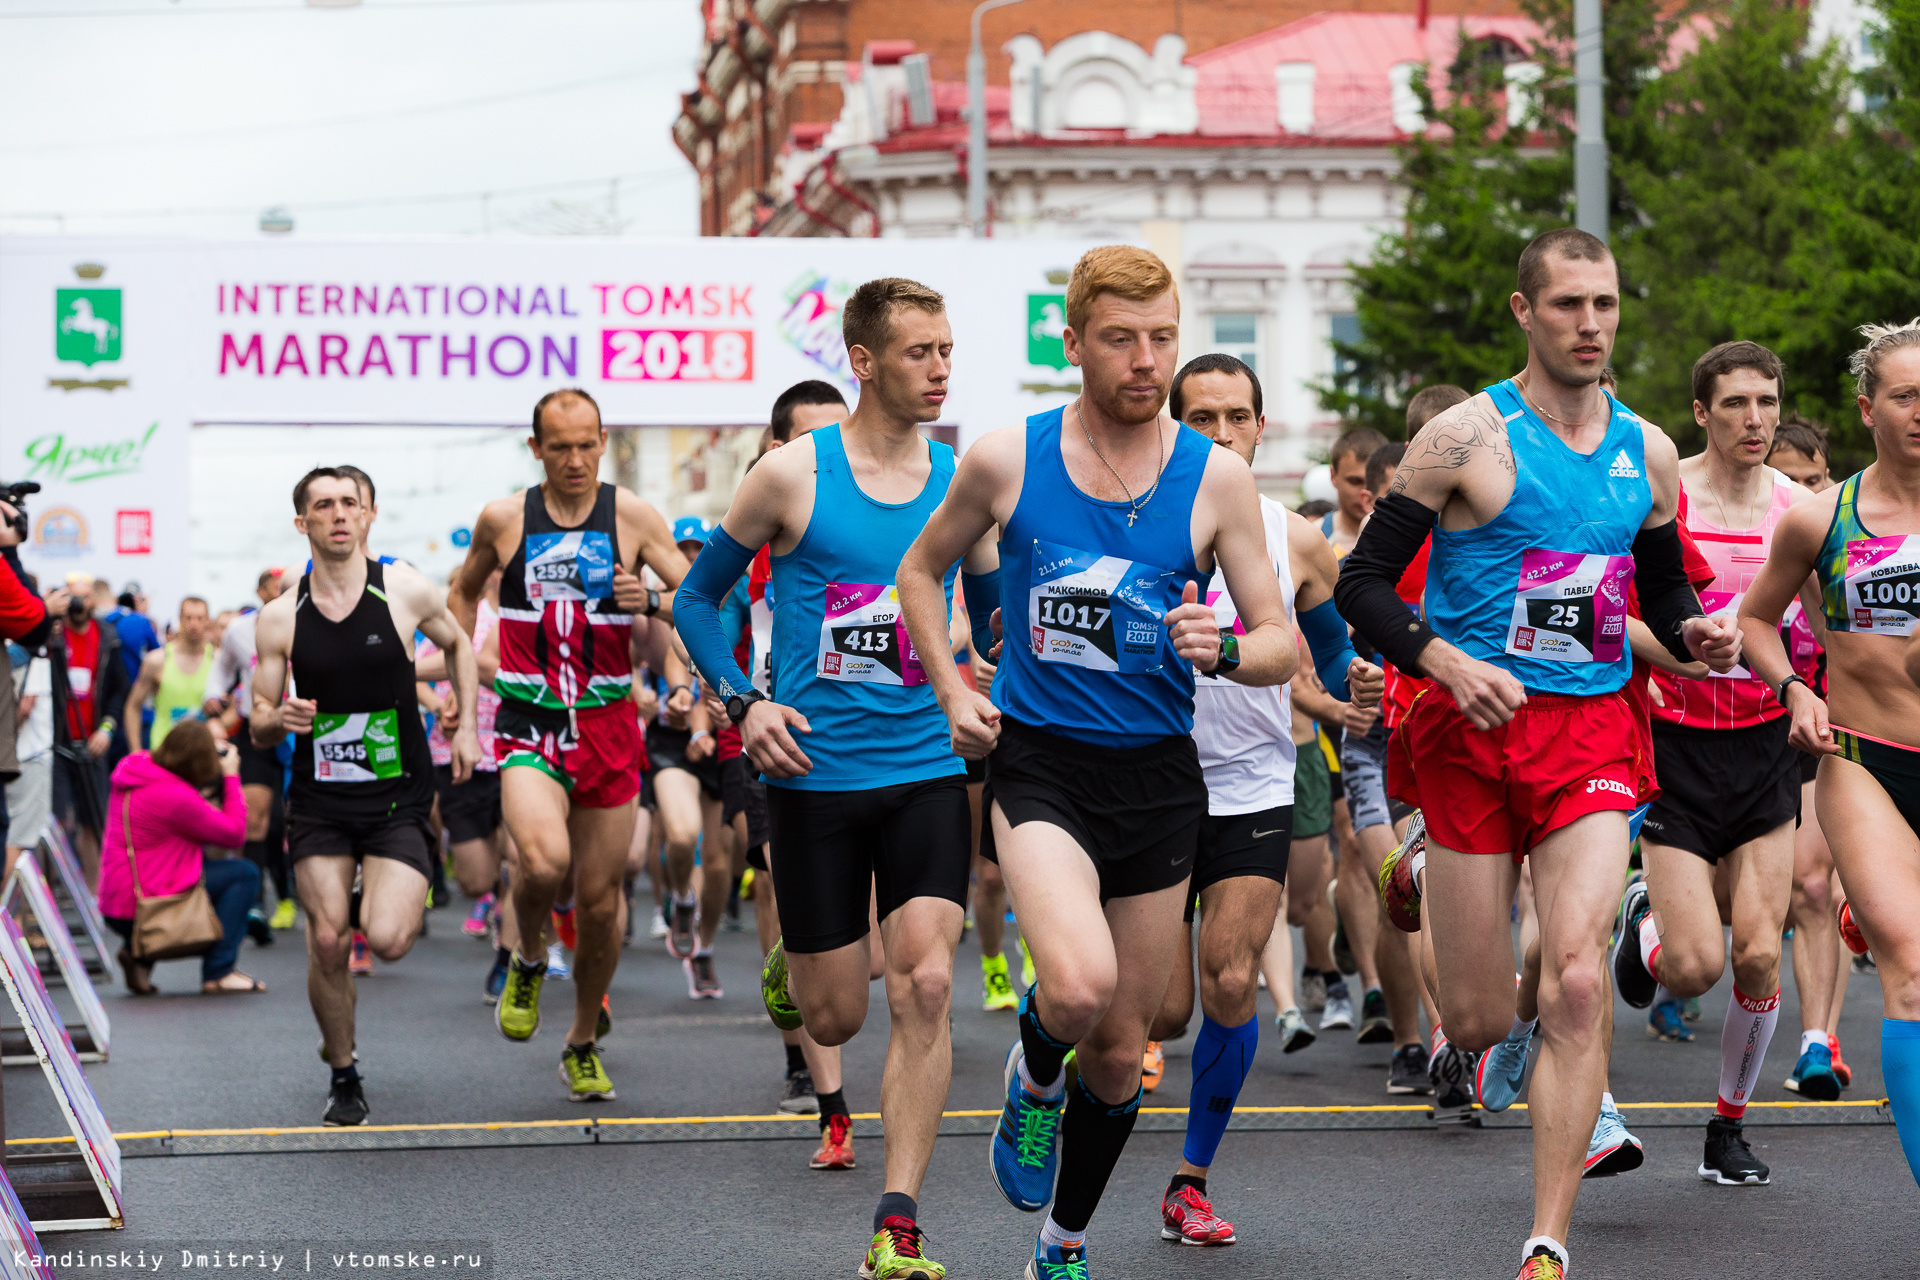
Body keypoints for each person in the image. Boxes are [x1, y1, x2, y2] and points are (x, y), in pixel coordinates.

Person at [1334, 227, 1741, 1280]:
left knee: (1569, 982)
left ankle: (1547, 1238)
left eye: (1604, 303)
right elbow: (1363, 586)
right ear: (1525, 311)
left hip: (1591, 730)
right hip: (1468, 732)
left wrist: (1694, 631)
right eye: (1567, 305)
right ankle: (1451, 900)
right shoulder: (1465, 438)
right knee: (1473, 1018)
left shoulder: (1646, 448)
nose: (1591, 324)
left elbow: (1660, 587)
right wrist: (1443, 663)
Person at [896, 245, 1298, 1280]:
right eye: (1121, 338)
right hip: (1043, 765)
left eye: (1162, 335)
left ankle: (1061, 1242)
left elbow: (1279, 642)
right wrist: (952, 690)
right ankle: (1032, 1077)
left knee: (1123, 1050)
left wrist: (1231, 649)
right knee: (1074, 989)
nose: (1146, 358)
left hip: (1161, 775)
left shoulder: (1219, 478)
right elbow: (921, 568)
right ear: (1072, 342)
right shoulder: (1006, 459)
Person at [677, 277, 972, 1279]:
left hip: (930, 764)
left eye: (945, 348)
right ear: (864, 360)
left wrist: (985, 678)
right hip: (813, 773)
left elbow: (1001, 612)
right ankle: (798, 970)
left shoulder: (962, 481)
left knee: (929, 978)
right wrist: (742, 701)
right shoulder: (790, 477)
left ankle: (898, 1219)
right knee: (838, 1011)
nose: (939, 368)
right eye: (919, 351)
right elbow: (697, 599)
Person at [1147, 352, 1380, 1245]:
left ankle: (1190, 1180)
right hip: (1150, 782)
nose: (1218, 435)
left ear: (1260, 426)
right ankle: (1046, 1037)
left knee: (1233, 978)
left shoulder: (1296, 539)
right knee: (1159, 1012)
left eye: (1234, 418)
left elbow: (1324, 653)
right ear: (1172, 425)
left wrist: (1354, 686)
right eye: (1199, 418)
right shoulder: (1139, 524)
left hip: (1252, 780)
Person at [1608, 342, 1818, 1184]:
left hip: (1765, 745)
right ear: (1701, 413)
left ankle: (1727, 1128)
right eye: (1734, 404)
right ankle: (1646, 922)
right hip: (1674, 745)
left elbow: (1830, 625)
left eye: (1766, 402)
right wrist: (1678, 651)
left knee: (1761, 955)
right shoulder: (1662, 500)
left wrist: (1814, 691)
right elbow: (1604, 613)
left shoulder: (1804, 510)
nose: (1755, 420)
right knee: (1695, 964)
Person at [449, 388, 688, 1105]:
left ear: (603, 440)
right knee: (543, 861)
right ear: (536, 449)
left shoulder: (634, 516)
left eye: (588, 444)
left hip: (610, 721)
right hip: (528, 715)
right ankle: (526, 954)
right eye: (560, 447)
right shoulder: (503, 518)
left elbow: (705, 596)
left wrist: (650, 601)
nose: (576, 460)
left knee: (599, 903)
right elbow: (460, 597)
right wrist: (464, 686)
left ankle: (581, 1038)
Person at [1739, 318, 1920, 1192]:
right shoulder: (1823, 518)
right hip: (1866, 759)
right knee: (1911, 970)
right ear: (1867, 408)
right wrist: (1793, 689)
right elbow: (1753, 621)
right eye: (1905, 396)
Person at [253, 467, 482, 1126]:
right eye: (322, 506)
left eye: (349, 503)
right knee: (328, 942)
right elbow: (259, 714)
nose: (338, 514)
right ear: (303, 523)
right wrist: (280, 719)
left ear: (370, 514)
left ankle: (370, 893)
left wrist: (463, 725)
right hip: (320, 803)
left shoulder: (403, 589)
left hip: (397, 800)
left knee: (387, 939)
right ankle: (344, 1072)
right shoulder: (279, 617)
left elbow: (459, 646)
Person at [1764, 418, 1855, 1094]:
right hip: (1738, 724)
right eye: (1787, 480)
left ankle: (1816, 1043)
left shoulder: (1840, 531)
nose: (1801, 492)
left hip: (1822, 722)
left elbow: (1846, 641)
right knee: (1729, 920)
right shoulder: (1738, 529)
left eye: (1813, 480)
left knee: (1814, 885)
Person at [97, 721, 260, 995]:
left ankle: (139, 957)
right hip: (146, 908)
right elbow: (234, 834)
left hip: (117, 902)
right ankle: (219, 972)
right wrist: (231, 776)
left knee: (202, 868)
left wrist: (203, 746)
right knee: (244, 874)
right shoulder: (176, 797)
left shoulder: (137, 766)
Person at [649, 516, 729, 994]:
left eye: (700, 549)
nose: (691, 559)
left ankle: (705, 948)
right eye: (682, 550)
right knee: (681, 836)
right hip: (671, 741)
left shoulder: (732, 603)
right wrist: (666, 696)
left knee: (718, 864)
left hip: (728, 739)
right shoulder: (654, 613)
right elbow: (660, 665)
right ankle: (680, 897)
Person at [205, 568, 292, 926]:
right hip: (256, 732)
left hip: (301, 733)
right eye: (276, 589)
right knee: (255, 821)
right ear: (260, 593)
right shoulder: (240, 631)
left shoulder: (309, 624)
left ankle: (288, 899)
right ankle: (255, 903)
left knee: (284, 824)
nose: (282, 595)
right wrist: (212, 695)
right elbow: (221, 670)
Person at [52, 570, 130, 886]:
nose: (78, 604)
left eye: (84, 597)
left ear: (93, 600)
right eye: (72, 596)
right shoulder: (52, 637)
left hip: (93, 740)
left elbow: (120, 690)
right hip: (57, 743)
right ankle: (54, 893)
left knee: (93, 821)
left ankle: (93, 893)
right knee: (59, 820)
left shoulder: (108, 638)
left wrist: (107, 729)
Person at [124, 597, 213, 749]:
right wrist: (136, 752)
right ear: (179, 619)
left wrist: (219, 723)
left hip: (202, 753)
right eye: (188, 618)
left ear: (207, 621)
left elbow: (232, 709)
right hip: (162, 750)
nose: (194, 624)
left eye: (199, 618)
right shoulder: (157, 660)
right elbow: (133, 706)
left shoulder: (217, 660)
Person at [1321, 427, 1389, 555]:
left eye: (1372, 482)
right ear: (1333, 476)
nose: (1364, 492)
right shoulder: (1313, 538)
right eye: (1355, 481)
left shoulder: (1412, 541)